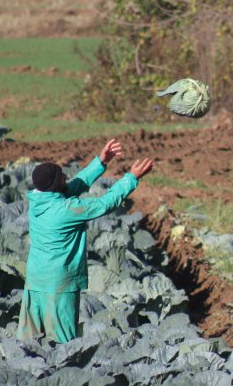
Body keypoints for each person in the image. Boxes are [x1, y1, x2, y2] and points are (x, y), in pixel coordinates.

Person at [17, 139, 154, 343]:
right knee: (63, 343)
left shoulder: (38, 201)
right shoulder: (66, 210)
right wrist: (131, 178)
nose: (66, 177)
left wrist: (101, 161)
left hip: (36, 279)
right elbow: (104, 204)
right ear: (55, 186)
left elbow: (73, 186)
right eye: (61, 177)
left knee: (28, 342)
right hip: (59, 284)